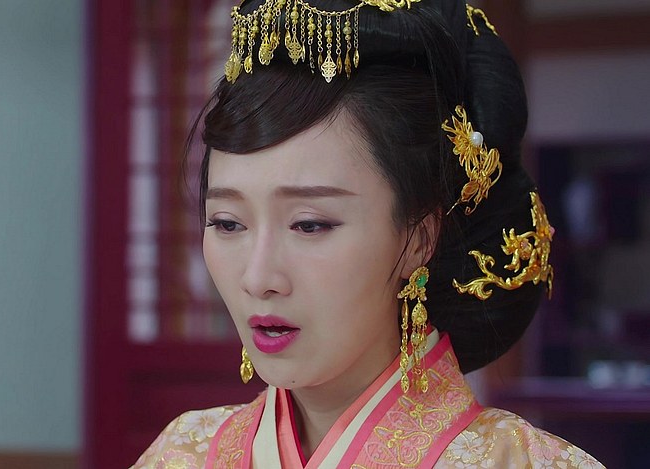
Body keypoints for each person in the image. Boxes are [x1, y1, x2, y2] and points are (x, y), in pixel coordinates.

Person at [133, 0, 604, 467]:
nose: (258, 279)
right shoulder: (180, 455)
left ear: (419, 238)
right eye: (228, 223)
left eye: (310, 224)